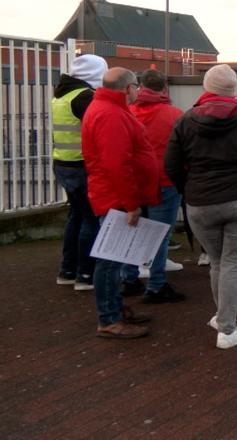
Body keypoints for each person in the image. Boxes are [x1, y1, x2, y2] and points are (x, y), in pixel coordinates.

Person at [164, 64, 237, 348]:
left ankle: (222, 316)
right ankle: (227, 329)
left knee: (218, 262)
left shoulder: (186, 120)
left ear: (206, 87)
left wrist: (188, 191)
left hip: (201, 203)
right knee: (233, 264)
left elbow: (171, 166)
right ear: (234, 88)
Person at [81, 67, 160, 340]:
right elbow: (117, 164)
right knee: (111, 261)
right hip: (116, 199)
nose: (139, 90)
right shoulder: (110, 114)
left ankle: (114, 310)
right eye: (137, 85)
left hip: (114, 196)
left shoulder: (107, 109)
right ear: (128, 88)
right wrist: (131, 204)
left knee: (116, 258)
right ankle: (109, 319)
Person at [129, 69, 186, 304]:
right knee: (160, 234)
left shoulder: (128, 112)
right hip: (164, 181)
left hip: (134, 181)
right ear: (165, 88)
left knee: (133, 231)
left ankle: (128, 278)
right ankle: (156, 284)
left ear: (141, 87)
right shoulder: (175, 115)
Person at [52, 54, 107, 291]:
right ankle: (86, 274)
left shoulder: (62, 95)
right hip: (81, 166)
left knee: (76, 216)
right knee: (91, 218)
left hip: (63, 164)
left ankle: (67, 270)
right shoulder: (86, 97)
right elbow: (98, 130)